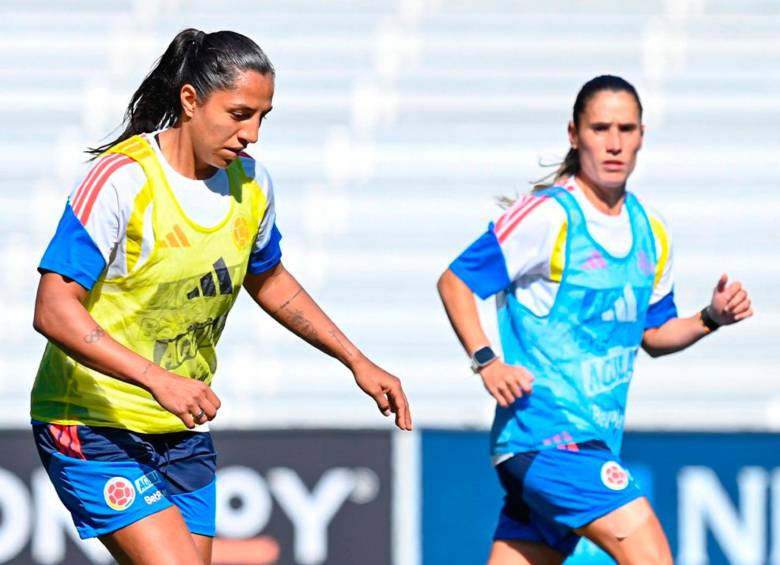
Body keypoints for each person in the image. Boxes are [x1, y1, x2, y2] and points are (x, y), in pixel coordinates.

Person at [30, 28, 411, 565]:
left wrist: (357, 361)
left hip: (179, 427)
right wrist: (157, 379)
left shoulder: (252, 185)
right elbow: (52, 308)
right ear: (190, 100)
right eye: (238, 114)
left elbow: (270, 279)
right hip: (89, 420)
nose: (252, 133)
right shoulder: (122, 180)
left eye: (263, 117)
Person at [437, 75, 753, 564]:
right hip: (547, 436)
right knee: (651, 555)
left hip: (590, 441)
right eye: (600, 127)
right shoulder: (548, 217)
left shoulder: (651, 231)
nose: (613, 142)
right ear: (573, 133)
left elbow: (653, 334)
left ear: (642, 136)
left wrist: (709, 317)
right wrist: (487, 361)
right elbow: (455, 281)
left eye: (625, 129)